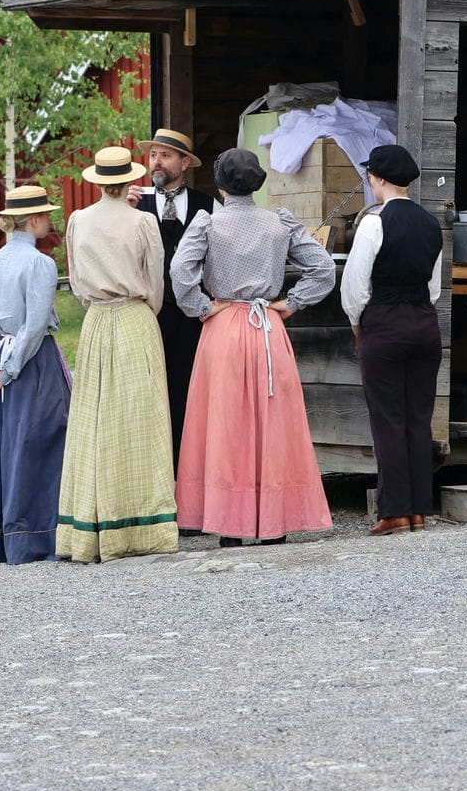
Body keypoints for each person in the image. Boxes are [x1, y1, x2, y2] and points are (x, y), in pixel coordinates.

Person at [170, 147, 336, 547]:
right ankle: (274, 523)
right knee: (273, 424)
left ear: (220, 184)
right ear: (257, 183)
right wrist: (291, 303)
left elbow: (179, 272)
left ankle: (230, 524)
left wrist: (202, 308)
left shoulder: (207, 224)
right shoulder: (279, 222)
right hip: (267, 329)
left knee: (226, 426)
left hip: (223, 328)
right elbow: (325, 269)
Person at [55, 146, 179, 563]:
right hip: (134, 318)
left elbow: (75, 282)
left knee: (93, 419)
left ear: (97, 181)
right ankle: (140, 522)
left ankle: (90, 524)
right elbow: (155, 282)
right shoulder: (143, 221)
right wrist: (144, 310)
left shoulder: (77, 220)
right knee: (139, 419)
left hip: (96, 322)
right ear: (129, 180)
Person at [340, 144, 444, 536]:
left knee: (388, 418)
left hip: (384, 322)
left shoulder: (373, 223)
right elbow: (433, 287)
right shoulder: (431, 223)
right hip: (424, 322)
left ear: (378, 178)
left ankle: (395, 510)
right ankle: (419, 509)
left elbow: (355, 287)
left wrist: (357, 326)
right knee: (418, 417)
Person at [0, 185, 71, 564]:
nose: (50, 219)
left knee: (4, 444)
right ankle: (34, 535)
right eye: (46, 214)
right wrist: (8, 370)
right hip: (31, 363)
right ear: (33, 220)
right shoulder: (40, 264)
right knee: (41, 439)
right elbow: (34, 325)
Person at [128, 127, 214, 468]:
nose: (156, 162)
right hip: (149, 314)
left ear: (184, 163)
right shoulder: (135, 203)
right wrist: (126, 213)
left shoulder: (209, 206)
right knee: (148, 394)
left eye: (165, 155)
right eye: (152, 155)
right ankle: (152, 470)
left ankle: (187, 469)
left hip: (192, 317)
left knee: (187, 392)